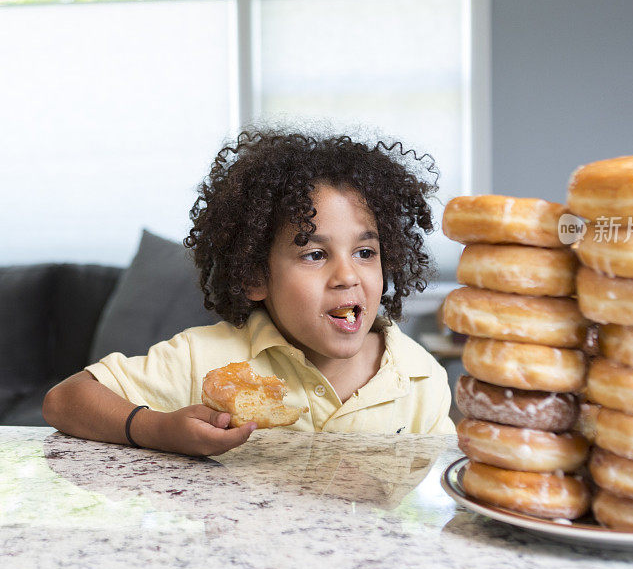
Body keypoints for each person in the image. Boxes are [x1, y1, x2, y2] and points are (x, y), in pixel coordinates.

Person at [43, 129, 456, 456]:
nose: (347, 275)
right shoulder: (203, 359)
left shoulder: (420, 378)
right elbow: (64, 400)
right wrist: (160, 429)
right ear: (255, 277)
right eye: (315, 254)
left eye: (365, 252)